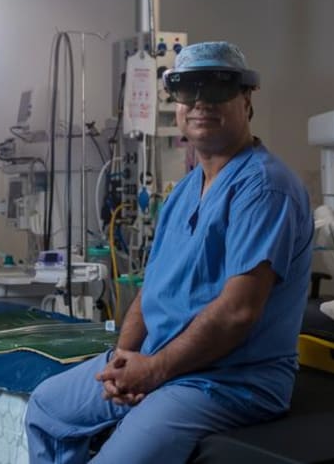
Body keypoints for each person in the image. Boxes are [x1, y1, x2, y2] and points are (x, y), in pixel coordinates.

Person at [25, 41, 314, 464]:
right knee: (45, 408)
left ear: (246, 100)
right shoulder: (184, 191)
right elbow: (152, 289)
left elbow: (237, 312)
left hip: (227, 381)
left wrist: (156, 370)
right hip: (159, 361)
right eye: (186, 91)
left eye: (217, 89)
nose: (200, 103)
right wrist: (125, 359)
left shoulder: (265, 188)